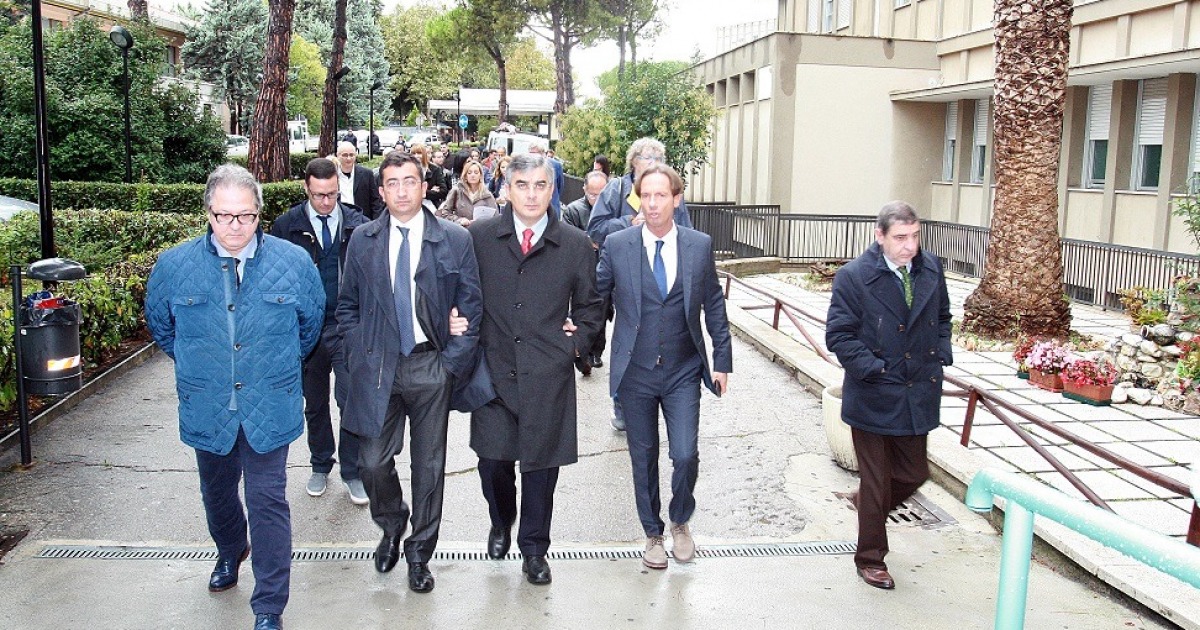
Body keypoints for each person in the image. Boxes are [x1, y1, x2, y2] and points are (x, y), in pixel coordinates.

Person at [145, 164, 324, 630]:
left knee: (267, 500)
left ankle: (269, 605)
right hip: (209, 405)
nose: (234, 226)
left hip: (270, 404)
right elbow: (164, 329)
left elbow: (308, 329)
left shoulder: (293, 263)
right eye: (224, 216)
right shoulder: (174, 266)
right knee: (217, 492)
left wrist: (269, 365)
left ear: (259, 213)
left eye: (245, 216)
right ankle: (230, 549)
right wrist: (209, 366)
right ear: (208, 213)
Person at [335, 151, 483, 594]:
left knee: (429, 467)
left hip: (430, 365)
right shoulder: (363, 240)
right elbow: (347, 306)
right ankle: (391, 522)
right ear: (381, 192)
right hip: (378, 365)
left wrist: (449, 364)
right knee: (372, 462)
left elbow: (471, 307)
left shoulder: (455, 239)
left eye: (409, 181)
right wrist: (359, 353)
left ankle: (420, 553)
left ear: (424, 186)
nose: (401, 191)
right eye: (392, 183)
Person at [467, 153, 604, 585]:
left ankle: (534, 550)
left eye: (540, 185)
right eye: (522, 185)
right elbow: (461, 292)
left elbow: (592, 308)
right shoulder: (480, 237)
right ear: (507, 189)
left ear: (553, 190)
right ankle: (501, 519)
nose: (531, 194)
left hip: (548, 375)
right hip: (493, 372)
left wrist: (574, 344)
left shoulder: (576, 245)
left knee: (541, 469)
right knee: (493, 463)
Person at [595, 163, 732, 571]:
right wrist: (570, 330)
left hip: (682, 370)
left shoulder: (698, 245)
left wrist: (722, 360)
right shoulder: (618, 245)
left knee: (685, 453)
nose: (652, 204)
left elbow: (714, 304)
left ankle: (680, 520)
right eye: (646, 196)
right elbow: (595, 296)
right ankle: (652, 532)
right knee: (643, 456)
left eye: (661, 195)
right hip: (634, 371)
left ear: (676, 199)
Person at [825, 201, 953, 591]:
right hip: (874, 393)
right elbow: (838, 335)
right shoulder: (854, 277)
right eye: (900, 238)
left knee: (915, 473)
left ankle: (867, 504)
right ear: (879, 236)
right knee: (877, 481)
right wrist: (874, 368)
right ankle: (871, 559)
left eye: (915, 236)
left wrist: (942, 351)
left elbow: (943, 317)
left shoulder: (931, 268)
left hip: (918, 390)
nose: (909, 246)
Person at [270, 157, 370, 505]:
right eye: (318, 195)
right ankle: (320, 463)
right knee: (314, 403)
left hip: (346, 326)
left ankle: (352, 471)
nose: (326, 202)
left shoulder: (358, 225)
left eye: (332, 194)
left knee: (350, 399)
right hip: (306, 328)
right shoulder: (286, 227)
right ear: (306, 189)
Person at [587, 137, 695, 430]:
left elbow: (688, 234)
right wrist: (628, 224)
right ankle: (623, 404)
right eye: (644, 163)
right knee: (630, 339)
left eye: (656, 163)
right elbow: (595, 230)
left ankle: (664, 397)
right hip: (628, 277)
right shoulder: (616, 190)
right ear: (632, 165)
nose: (651, 168)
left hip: (665, 276)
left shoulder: (671, 193)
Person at [563, 170, 610, 369]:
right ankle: (581, 352)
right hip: (580, 267)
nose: (596, 199)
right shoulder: (573, 210)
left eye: (601, 194)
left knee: (603, 308)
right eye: (592, 194)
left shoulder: (612, 211)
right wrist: (588, 241)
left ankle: (596, 351)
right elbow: (568, 238)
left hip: (605, 266)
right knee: (580, 308)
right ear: (584, 189)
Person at [437, 159, 499, 227]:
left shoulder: (487, 195)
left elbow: (496, 217)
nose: (473, 175)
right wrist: (459, 220)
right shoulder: (457, 191)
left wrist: (483, 222)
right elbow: (445, 214)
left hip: (480, 230)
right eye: (469, 173)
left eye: (476, 172)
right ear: (465, 175)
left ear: (480, 175)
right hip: (461, 230)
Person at [335, 141, 383, 219]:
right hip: (340, 219)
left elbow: (375, 201)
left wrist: (376, 222)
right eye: (345, 155)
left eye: (351, 155)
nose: (348, 158)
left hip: (362, 220)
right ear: (338, 156)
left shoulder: (366, 174)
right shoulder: (332, 175)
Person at [527, 141, 564, 217]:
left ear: (543, 154)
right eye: (530, 153)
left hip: (552, 206)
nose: (532, 156)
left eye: (535, 153)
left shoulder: (555, 165)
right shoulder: (526, 166)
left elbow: (560, 186)